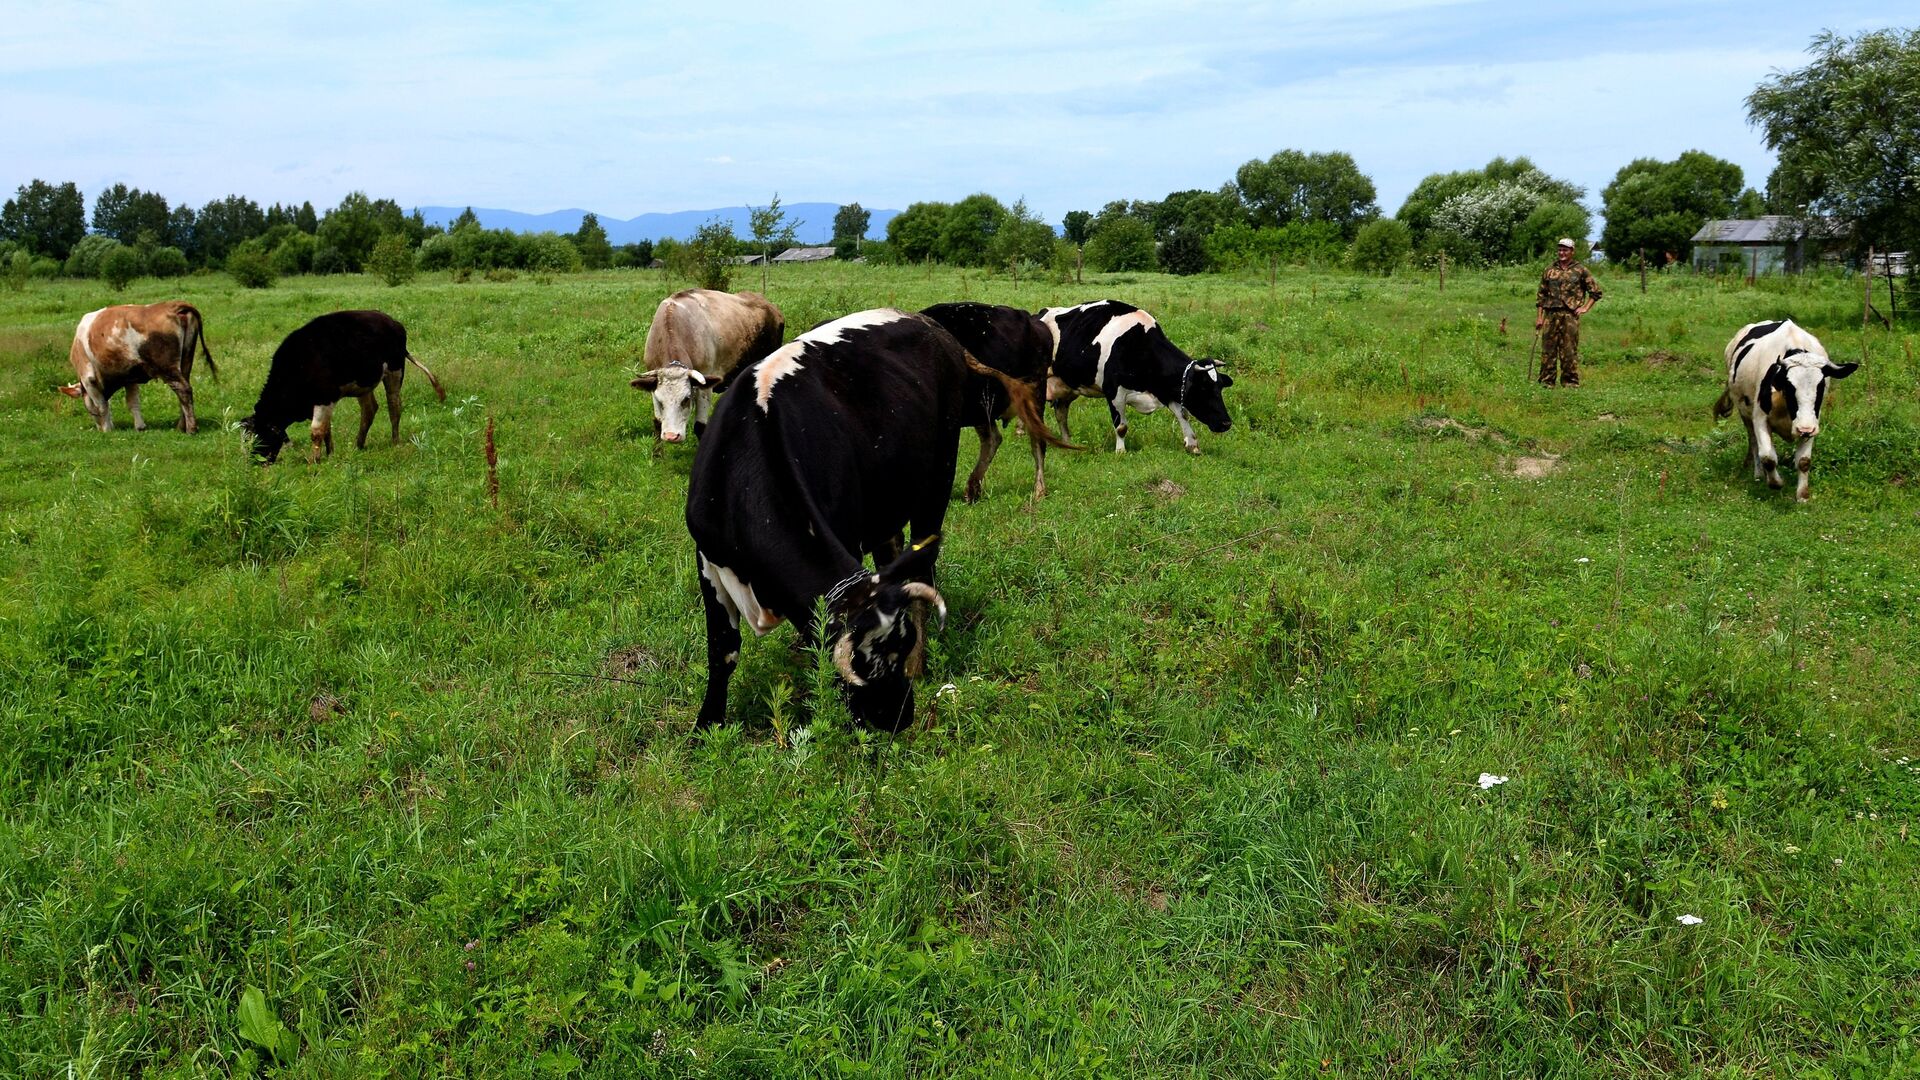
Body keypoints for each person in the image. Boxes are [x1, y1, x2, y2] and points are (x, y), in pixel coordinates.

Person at [1535, 238, 1602, 387]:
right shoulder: (1549, 270)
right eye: (1560, 249)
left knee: (1569, 349)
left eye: (1565, 250)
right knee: (1548, 349)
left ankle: (1570, 383)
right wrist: (1539, 317)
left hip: (1570, 316)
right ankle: (1547, 382)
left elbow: (1596, 292)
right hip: (1551, 315)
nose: (1562, 253)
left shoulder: (1581, 270)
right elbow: (1541, 295)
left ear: (1572, 251)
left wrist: (1585, 307)